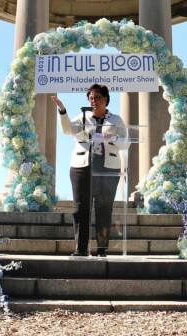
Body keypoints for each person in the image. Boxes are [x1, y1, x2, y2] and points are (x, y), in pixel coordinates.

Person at [51, 84, 129, 257]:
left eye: (98, 98)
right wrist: (62, 110)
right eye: (91, 98)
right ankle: (81, 248)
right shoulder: (83, 117)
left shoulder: (116, 120)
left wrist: (113, 138)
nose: (94, 101)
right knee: (81, 208)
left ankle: (102, 249)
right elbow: (67, 130)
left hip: (108, 167)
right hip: (82, 166)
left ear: (106, 100)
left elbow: (126, 143)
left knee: (104, 208)